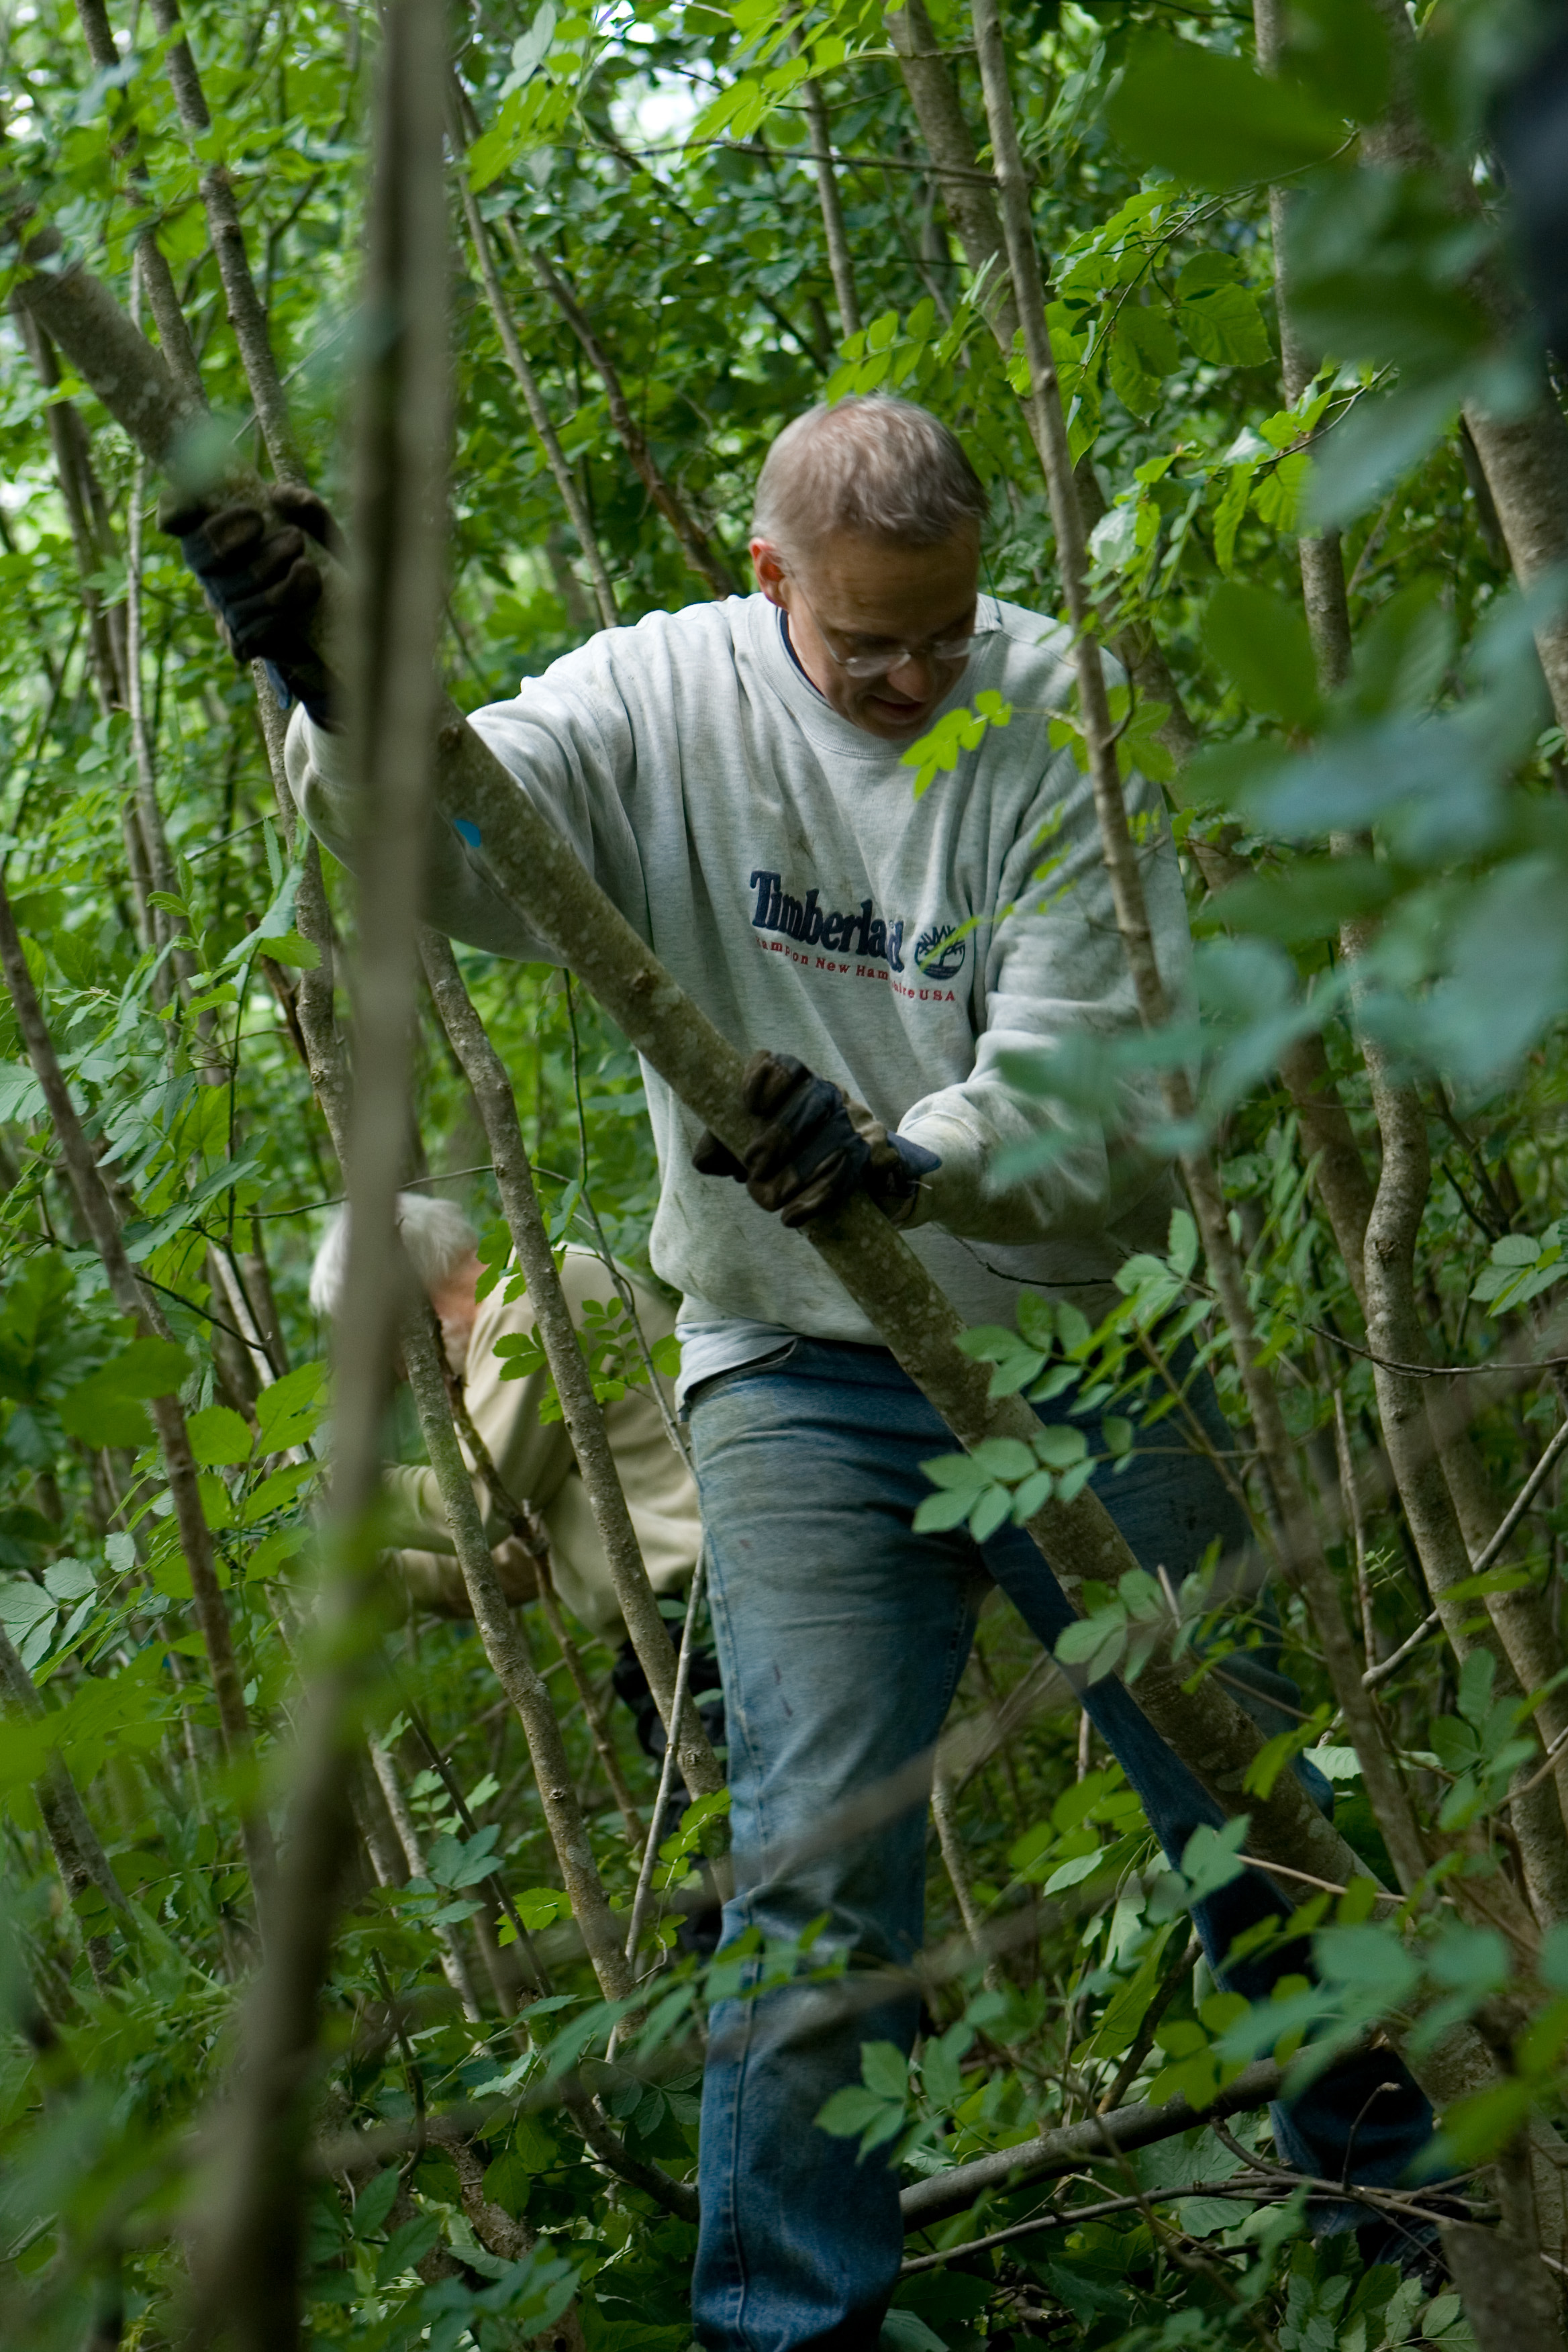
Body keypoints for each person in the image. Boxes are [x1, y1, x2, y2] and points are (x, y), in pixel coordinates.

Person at [173, 397, 1436, 2350]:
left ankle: (1405, 2234)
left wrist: (906, 1155)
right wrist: (343, 691)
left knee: (1243, 1788)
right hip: (784, 1362)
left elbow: (1108, 1076)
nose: (916, 676)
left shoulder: (1056, 715)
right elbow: (460, 845)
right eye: (869, 646)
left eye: (944, 628)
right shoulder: (665, 693)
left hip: (1073, 1345)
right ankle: (784, 2327)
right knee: (814, 1879)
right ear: (772, 583)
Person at [308, 1193, 717, 1757]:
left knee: (752, 1837)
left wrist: (337, 1484)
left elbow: (479, 1504)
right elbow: (531, 1545)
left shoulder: (529, 1295)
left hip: (707, 1614)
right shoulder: (524, 1306)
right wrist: (386, 1576)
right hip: (689, 1625)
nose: (398, 1374)